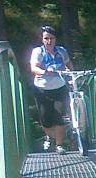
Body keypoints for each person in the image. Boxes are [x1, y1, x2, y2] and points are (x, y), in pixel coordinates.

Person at [30, 25, 73, 154]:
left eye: (51, 38)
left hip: (60, 88)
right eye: (46, 38)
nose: (49, 41)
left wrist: (71, 74)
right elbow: (34, 68)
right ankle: (50, 136)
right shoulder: (38, 52)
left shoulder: (61, 51)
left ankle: (59, 145)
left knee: (59, 117)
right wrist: (44, 72)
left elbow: (69, 64)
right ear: (42, 39)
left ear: (55, 39)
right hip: (42, 89)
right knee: (46, 120)